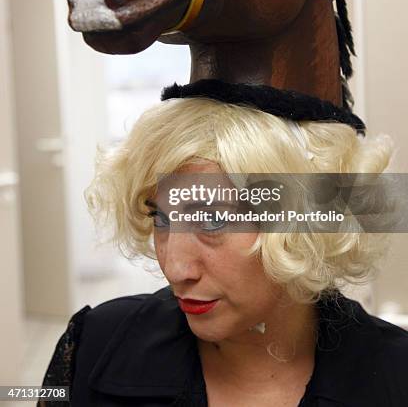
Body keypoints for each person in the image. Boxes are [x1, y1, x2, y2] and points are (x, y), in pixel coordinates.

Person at [39, 97, 408, 406]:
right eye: (161, 219)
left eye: (212, 221)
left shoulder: (394, 376)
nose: (175, 267)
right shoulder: (96, 344)